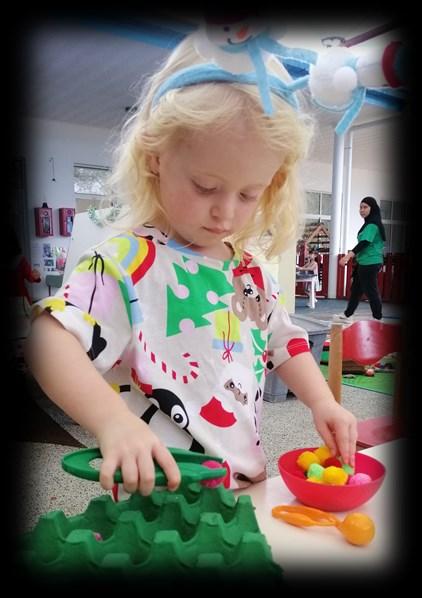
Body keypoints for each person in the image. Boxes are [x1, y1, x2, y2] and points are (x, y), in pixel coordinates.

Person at [25, 29, 357, 499]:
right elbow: (49, 340)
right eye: (205, 186)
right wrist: (112, 421)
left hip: (245, 486)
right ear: (155, 158)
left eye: (249, 194)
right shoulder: (125, 263)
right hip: (159, 494)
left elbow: (284, 342)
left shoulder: (249, 271)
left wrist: (323, 402)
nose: (226, 213)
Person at [338, 196, 386, 321]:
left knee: (371, 291)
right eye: (360, 207)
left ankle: (378, 317)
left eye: (365, 207)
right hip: (364, 262)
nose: (362, 210)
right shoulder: (368, 224)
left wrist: (348, 256)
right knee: (356, 289)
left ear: (372, 208)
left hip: (370, 262)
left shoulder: (372, 225)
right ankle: (348, 314)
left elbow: (364, 243)